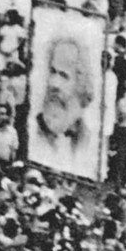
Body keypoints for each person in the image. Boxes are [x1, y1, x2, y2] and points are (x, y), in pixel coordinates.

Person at [29, 35, 97, 172]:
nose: (53, 83)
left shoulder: (85, 137)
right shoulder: (33, 129)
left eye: (64, 75)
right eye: (52, 72)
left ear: (80, 84)